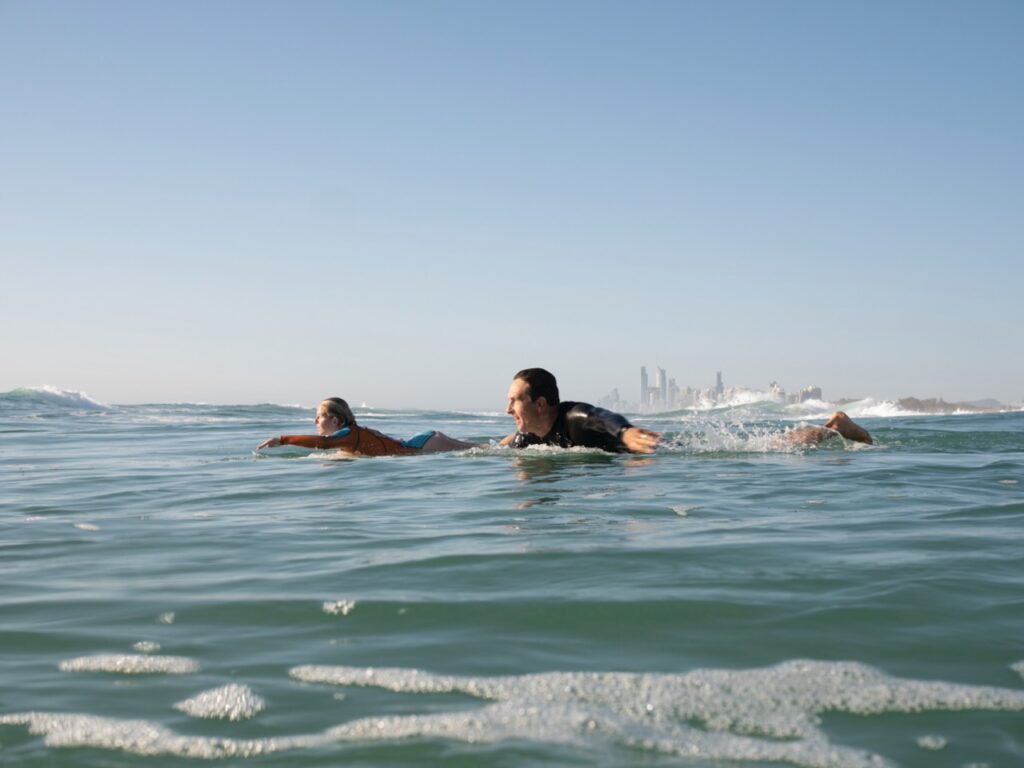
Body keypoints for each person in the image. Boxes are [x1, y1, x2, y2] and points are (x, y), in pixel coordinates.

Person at [499, 368, 661, 454]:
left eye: (515, 401)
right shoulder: (527, 437)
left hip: (646, 451)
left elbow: (603, 417)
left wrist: (625, 432)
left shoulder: (575, 417)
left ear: (540, 404)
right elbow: (499, 451)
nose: (508, 410)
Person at [257, 397, 475, 457]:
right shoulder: (347, 439)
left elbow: (322, 444)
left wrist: (283, 439)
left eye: (319, 416)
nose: (315, 422)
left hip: (423, 446)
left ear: (335, 421)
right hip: (425, 440)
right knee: (486, 448)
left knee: (487, 451)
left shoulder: (348, 434)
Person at [785, 411, 873, 445]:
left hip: (831, 431)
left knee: (798, 439)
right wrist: (825, 426)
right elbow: (838, 415)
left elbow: (838, 415)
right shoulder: (862, 433)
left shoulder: (859, 432)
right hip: (832, 430)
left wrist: (824, 426)